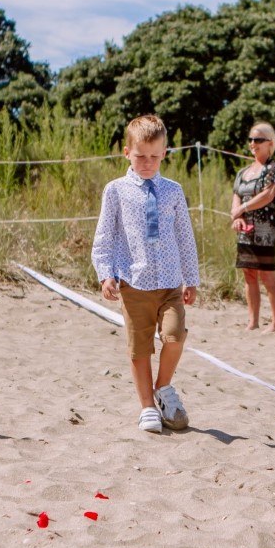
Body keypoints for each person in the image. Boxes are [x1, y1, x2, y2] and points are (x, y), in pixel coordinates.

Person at [91, 115, 200, 434]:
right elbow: (105, 236)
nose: (147, 163)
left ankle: (162, 387)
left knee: (175, 335)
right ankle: (147, 407)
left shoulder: (173, 191)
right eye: (140, 156)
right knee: (140, 348)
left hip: (170, 283)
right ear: (127, 153)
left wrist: (191, 279)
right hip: (133, 283)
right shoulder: (116, 191)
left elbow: (184, 236)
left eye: (154, 156)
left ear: (164, 153)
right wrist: (105, 274)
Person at [230, 122, 275, 331]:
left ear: (270, 143)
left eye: (258, 140)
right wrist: (237, 215)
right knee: (248, 273)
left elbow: (268, 194)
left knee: (267, 275)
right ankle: (252, 321)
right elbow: (236, 193)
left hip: (264, 228)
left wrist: (242, 208)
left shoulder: (274, 168)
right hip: (245, 229)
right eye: (251, 139)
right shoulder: (244, 171)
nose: (253, 143)